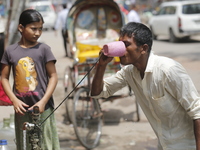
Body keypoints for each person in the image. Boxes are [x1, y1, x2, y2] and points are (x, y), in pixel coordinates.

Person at [91, 22, 200, 150]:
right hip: (164, 145)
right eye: (120, 44)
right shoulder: (129, 72)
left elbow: (197, 113)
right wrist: (101, 66)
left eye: (126, 45)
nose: (121, 50)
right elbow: (97, 93)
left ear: (143, 48)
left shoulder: (168, 70)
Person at [1, 9, 60, 150]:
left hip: (43, 109)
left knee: (46, 144)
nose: (38, 33)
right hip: (22, 110)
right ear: (21, 28)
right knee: (25, 144)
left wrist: (43, 101)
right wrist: (14, 100)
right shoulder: (10, 51)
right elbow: (3, 78)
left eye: (41, 29)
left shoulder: (44, 49)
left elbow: (53, 76)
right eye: (33, 28)